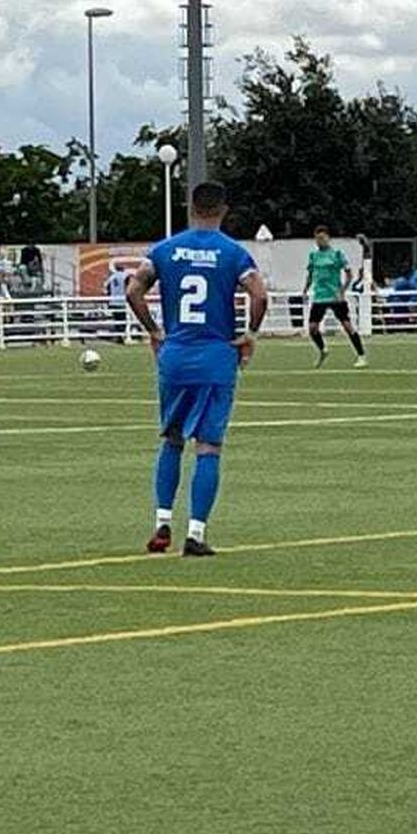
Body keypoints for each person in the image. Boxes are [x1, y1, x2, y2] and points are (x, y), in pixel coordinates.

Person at [127, 181, 269, 557]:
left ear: (190, 209)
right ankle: (196, 533)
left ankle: (161, 522)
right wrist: (249, 334)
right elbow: (259, 294)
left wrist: (155, 331)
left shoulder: (164, 251)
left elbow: (133, 290)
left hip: (175, 356)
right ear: (223, 210)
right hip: (215, 358)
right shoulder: (233, 253)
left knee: (172, 439)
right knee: (208, 446)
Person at [304, 225, 367, 369]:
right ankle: (323, 350)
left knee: (347, 326)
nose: (320, 241)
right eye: (317, 238)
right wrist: (305, 289)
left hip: (335, 296)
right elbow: (310, 274)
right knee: (312, 328)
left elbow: (349, 274)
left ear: (328, 238)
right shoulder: (313, 256)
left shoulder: (337, 254)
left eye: (322, 238)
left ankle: (361, 355)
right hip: (319, 296)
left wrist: (342, 290)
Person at [105, 260, 130, 341]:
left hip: (113, 301)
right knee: (123, 320)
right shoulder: (125, 276)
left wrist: (108, 300)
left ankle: (119, 336)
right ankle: (122, 336)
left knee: (116, 320)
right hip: (122, 301)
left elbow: (107, 289)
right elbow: (129, 287)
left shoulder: (111, 277)